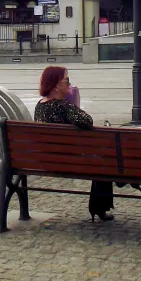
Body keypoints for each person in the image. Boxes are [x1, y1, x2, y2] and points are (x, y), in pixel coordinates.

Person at [34, 65, 113, 222]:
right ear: (56, 85)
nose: (69, 84)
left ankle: (101, 205)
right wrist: (72, 103)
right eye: (67, 80)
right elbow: (87, 120)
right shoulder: (63, 106)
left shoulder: (39, 106)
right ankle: (100, 208)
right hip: (68, 162)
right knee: (105, 161)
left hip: (45, 160)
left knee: (102, 158)